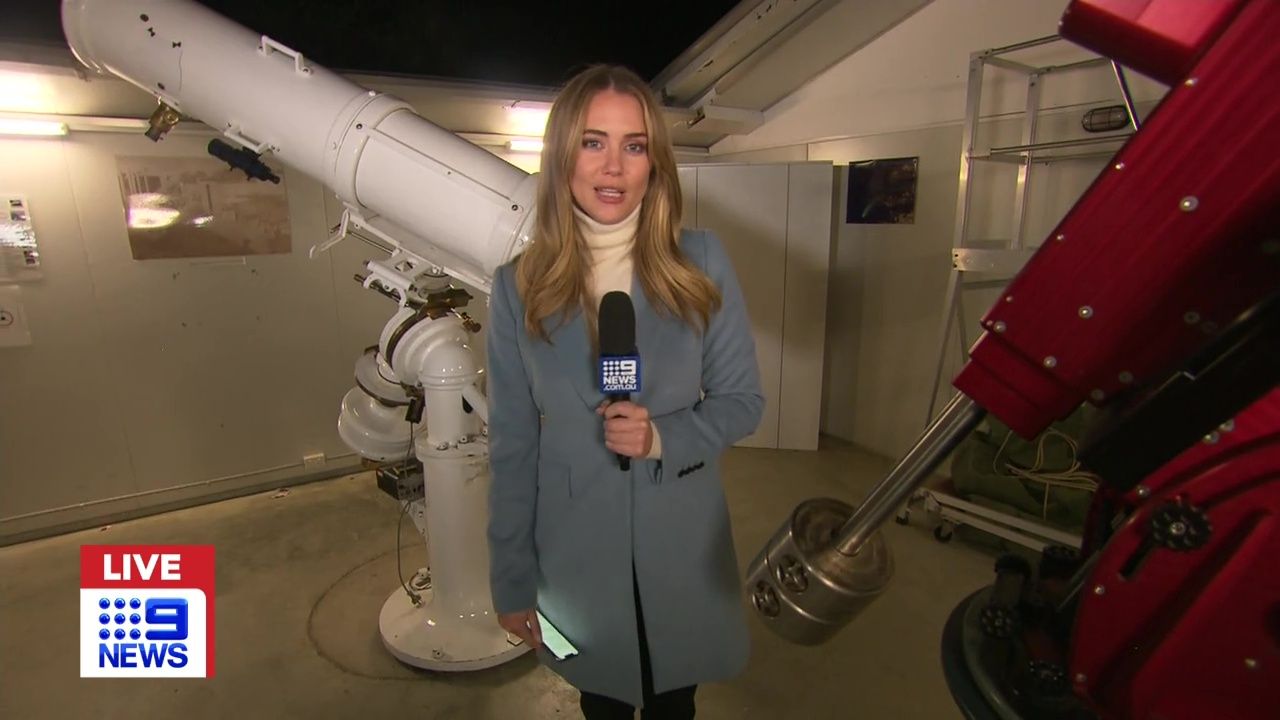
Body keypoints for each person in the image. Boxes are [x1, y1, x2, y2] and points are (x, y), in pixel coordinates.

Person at [485, 63, 765, 719]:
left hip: (682, 539)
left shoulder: (701, 260)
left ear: (654, 163)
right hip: (575, 547)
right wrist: (511, 579)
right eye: (593, 142)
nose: (613, 166)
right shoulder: (516, 287)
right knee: (602, 701)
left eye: (633, 145)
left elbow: (742, 401)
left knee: (675, 701)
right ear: (562, 157)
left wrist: (661, 435)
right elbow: (512, 447)